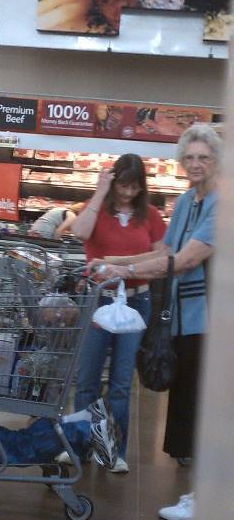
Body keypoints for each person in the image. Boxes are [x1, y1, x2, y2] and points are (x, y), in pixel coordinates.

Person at [90, 125, 219, 519]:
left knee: (203, 409)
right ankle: (200, 495)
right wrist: (117, 265)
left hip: (212, 321)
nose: (195, 164)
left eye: (204, 158)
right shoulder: (183, 202)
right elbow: (163, 249)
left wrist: (119, 267)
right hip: (185, 319)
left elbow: (186, 260)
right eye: (190, 158)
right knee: (187, 406)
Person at [65, 153, 166, 473]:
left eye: (134, 187)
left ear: (142, 187)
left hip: (136, 302)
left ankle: (115, 452)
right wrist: (99, 191)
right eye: (122, 185)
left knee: (121, 383)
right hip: (99, 299)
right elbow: (80, 232)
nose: (127, 193)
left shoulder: (150, 215)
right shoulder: (96, 209)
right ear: (113, 181)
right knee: (87, 379)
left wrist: (116, 263)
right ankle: (80, 445)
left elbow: (162, 257)